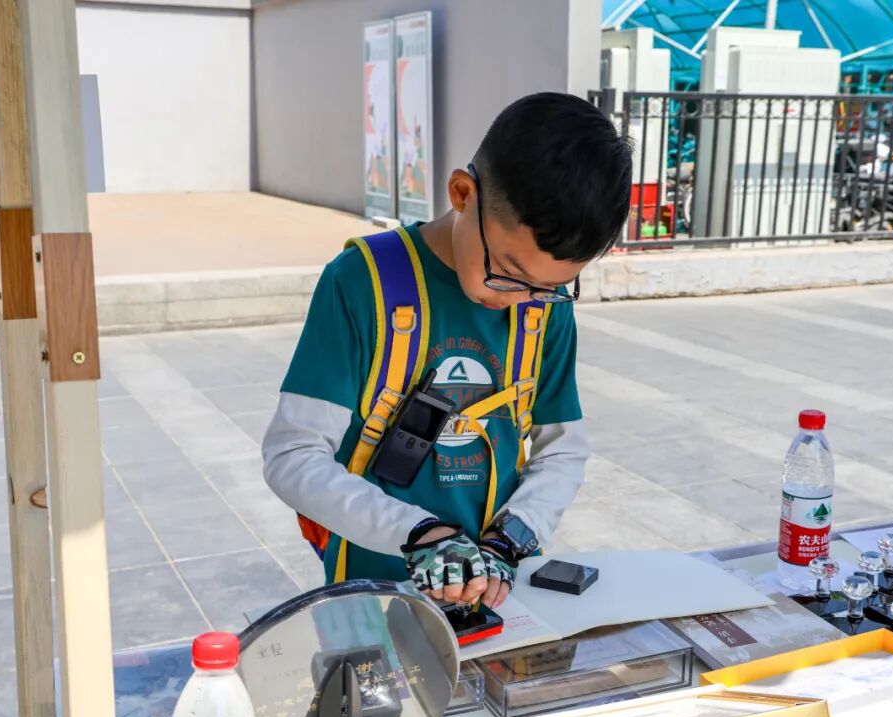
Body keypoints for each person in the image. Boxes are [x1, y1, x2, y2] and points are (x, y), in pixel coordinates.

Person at [263, 92, 632, 610]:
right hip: (374, 586)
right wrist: (419, 533)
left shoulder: (542, 307)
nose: (520, 299)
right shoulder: (362, 283)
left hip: (497, 590)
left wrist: (511, 538)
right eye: (508, 272)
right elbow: (293, 456)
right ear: (462, 193)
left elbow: (563, 449)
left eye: (550, 287)